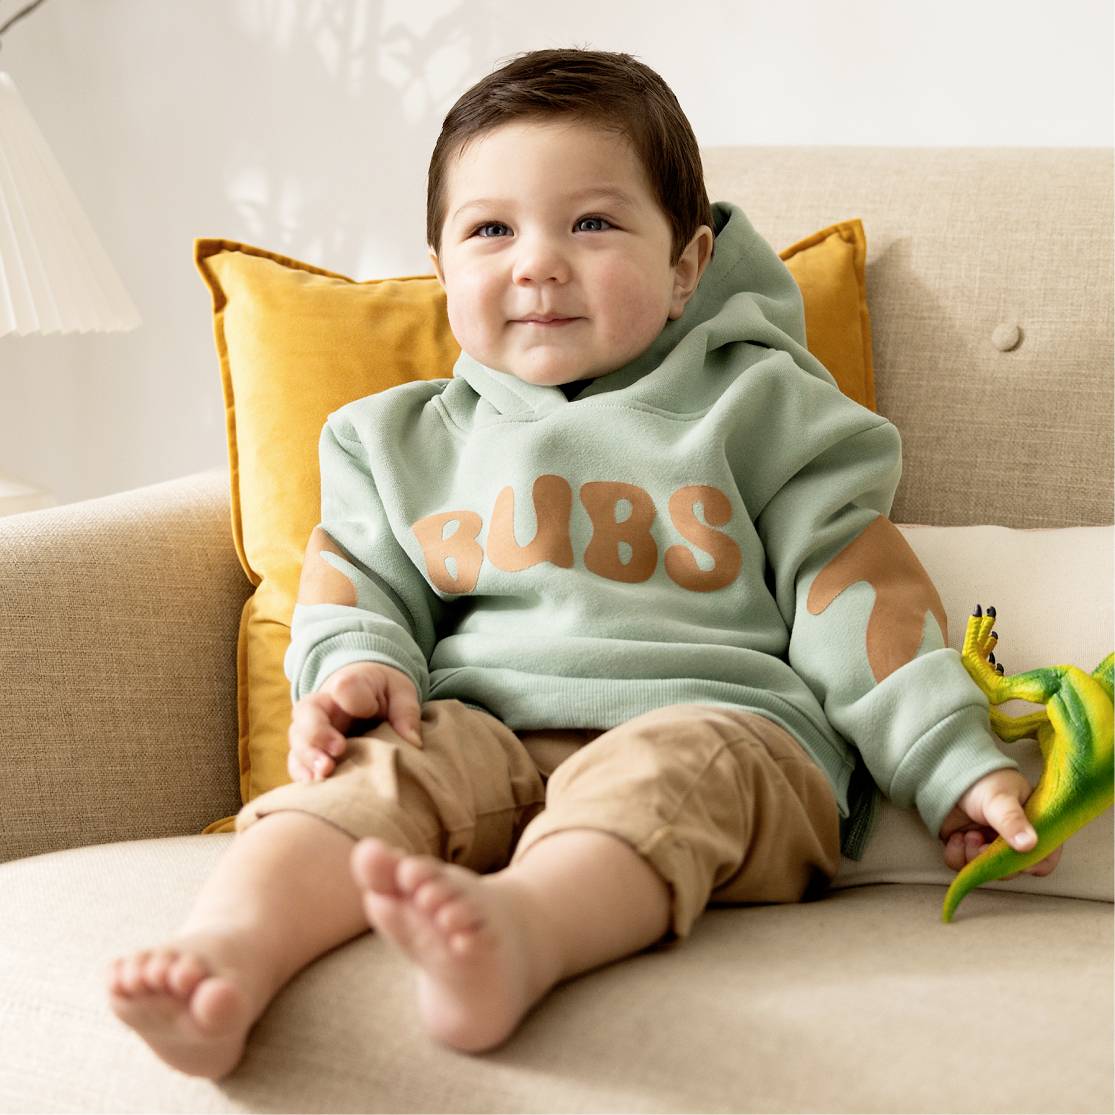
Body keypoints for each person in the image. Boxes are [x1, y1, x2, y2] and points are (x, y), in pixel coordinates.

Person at [106, 47, 1061, 1080]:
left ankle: (519, 932)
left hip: (720, 725)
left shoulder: (758, 407)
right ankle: (228, 956)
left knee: (672, 769)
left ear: (686, 265)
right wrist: (354, 668)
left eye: (592, 223)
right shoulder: (392, 440)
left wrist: (948, 760)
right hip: (481, 729)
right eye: (489, 230)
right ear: (439, 266)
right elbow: (355, 579)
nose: (537, 261)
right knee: (375, 767)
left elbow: (855, 590)